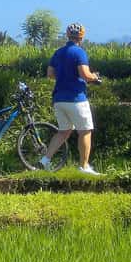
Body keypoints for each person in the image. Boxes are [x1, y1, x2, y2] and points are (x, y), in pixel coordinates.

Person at [39, 23, 103, 175]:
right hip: (76, 99)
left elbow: (50, 74)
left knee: (64, 131)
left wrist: (65, 77)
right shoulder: (79, 52)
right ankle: (84, 167)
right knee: (85, 131)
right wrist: (95, 77)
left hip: (59, 99)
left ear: (67, 35)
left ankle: (45, 160)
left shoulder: (58, 52)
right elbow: (85, 75)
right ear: (82, 37)